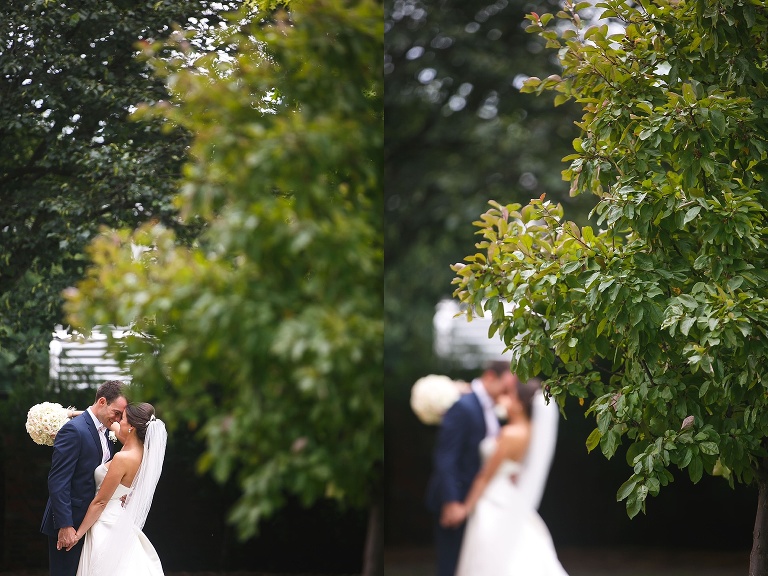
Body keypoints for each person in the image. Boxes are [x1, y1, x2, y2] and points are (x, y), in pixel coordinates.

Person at [455, 378, 568, 576]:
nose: (502, 398)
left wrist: (465, 508)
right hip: (509, 493)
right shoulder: (529, 432)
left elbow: (484, 476)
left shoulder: (509, 434)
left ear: (519, 403)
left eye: (508, 395)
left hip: (493, 498)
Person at [425, 360, 517, 576]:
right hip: (457, 499)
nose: (508, 391)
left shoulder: (491, 407)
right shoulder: (463, 406)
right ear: (490, 377)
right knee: (452, 565)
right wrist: (452, 501)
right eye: (506, 385)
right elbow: (446, 457)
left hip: (478, 501)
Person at [41, 380, 129, 576]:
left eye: (121, 416)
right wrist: (65, 525)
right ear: (102, 401)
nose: (118, 419)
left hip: (93, 523)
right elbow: (58, 480)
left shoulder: (105, 431)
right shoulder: (74, 430)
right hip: (70, 524)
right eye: (116, 412)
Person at [70, 402, 168, 575]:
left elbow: (100, 502)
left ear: (131, 426)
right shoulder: (142, 452)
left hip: (105, 521)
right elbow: (105, 421)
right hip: (120, 519)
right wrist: (70, 414)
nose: (117, 420)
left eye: (121, 418)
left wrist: (77, 535)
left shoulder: (123, 458)